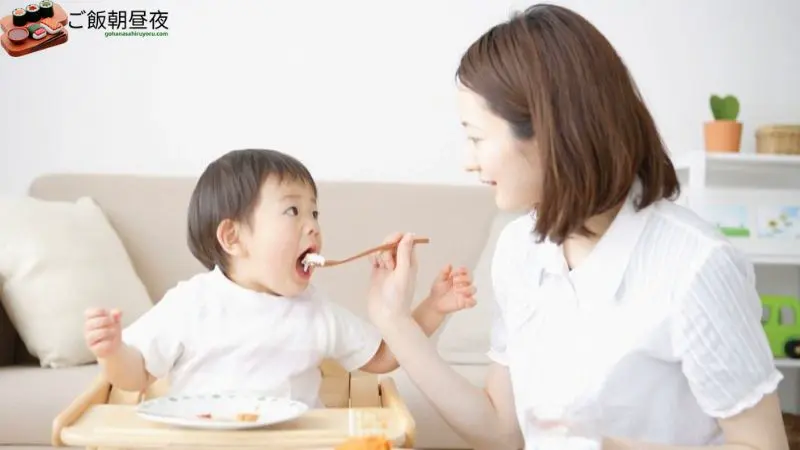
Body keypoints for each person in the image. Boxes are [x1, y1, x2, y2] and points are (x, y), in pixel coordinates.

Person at [365, 4, 790, 450]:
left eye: (476, 137)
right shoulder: (519, 250)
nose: (467, 161)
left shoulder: (697, 267)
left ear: (547, 130)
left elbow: (763, 445)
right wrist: (395, 321)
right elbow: (502, 431)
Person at [82, 148, 476, 407]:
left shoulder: (315, 311)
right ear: (233, 237)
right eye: (293, 212)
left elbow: (388, 356)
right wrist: (112, 350)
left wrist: (432, 307)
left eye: (315, 214)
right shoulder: (191, 304)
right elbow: (135, 377)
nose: (313, 227)